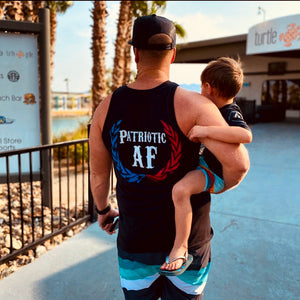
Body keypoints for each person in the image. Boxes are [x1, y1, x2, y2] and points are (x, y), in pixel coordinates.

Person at [89, 14, 250, 300]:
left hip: (134, 242)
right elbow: (237, 166)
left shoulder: (105, 108)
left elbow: (99, 174)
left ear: (135, 54)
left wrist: (103, 211)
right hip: (190, 246)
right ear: (172, 54)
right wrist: (211, 182)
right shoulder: (195, 105)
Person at [160, 57, 252, 275]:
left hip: (213, 173)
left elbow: (245, 135)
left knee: (180, 190)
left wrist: (205, 131)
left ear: (208, 87)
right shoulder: (215, 108)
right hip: (206, 165)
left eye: (202, 86)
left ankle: (180, 247)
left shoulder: (230, 111)